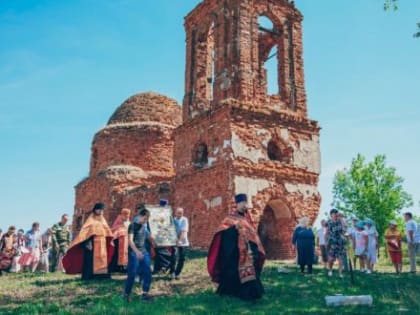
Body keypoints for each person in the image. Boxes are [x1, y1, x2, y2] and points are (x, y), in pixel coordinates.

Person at [208, 193, 265, 301]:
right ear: (237, 204)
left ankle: (252, 293)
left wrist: (255, 247)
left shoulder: (248, 219)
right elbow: (224, 234)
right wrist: (235, 231)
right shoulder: (229, 219)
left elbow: (252, 235)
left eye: (245, 203)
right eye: (242, 203)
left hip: (249, 252)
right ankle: (233, 292)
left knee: (251, 271)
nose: (244, 206)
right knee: (232, 271)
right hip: (235, 253)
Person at [63, 202, 114, 280]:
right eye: (99, 210)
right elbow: (85, 233)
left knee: (102, 259)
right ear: (95, 210)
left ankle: (101, 276)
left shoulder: (103, 221)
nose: (101, 211)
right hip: (93, 245)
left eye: (102, 210)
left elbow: (108, 233)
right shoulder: (90, 220)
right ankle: (90, 277)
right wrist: (87, 243)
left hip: (102, 244)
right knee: (91, 261)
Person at [124, 208, 153, 302]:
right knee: (132, 273)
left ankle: (145, 294)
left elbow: (149, 237)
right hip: (134, 252)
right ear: (140, 216)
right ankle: (126, 294)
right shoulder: (132, 226)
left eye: (147, 219)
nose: (146, 220)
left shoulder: (144, 227)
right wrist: (136, 252)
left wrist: (158, 242)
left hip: (143, 251)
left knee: (147, 271)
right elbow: (130, 241)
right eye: (145, 218)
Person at [325, 209, 346, 278]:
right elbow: (326, 232)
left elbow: (344, 229)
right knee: (331, 259)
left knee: (340, 258)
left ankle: (340, 273)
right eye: (334, 214)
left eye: (336, 213)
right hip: (332, 242)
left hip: (340, 242)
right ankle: (330, 270)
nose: (336, 215)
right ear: (331, 215)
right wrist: (326, 241)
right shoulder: (328, 222)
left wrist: (341, 217)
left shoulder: (340, 221)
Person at [110, 208, 131, 273]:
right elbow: (113, 229)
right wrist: (121, 227)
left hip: (126, 239)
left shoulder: (127, 221)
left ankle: (123, 267)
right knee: (117, 254)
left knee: (125, 253)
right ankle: (116, 267)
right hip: (118, 239)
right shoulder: (119, 220)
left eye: (128, 215)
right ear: (123, 214)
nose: (127, 217)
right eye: (126, 215)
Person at [171, 207, 189, 280]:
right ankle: (172, 272)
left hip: (183, 242)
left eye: (181, 213)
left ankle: (177, 273)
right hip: (174, 242)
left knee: (182, 258)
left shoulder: (184, 220)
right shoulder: (173, 220)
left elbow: (184, 231)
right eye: (178, 213)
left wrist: (180, 241)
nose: (180, 214)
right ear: (175, 213)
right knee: (173, 257)